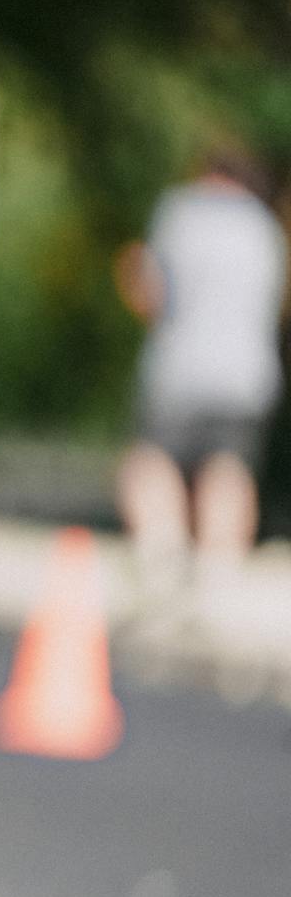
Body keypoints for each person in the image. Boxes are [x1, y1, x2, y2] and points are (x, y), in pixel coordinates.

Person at [115, 148, 288, 640]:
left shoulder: (182, 213)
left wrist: (131, 276)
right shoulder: (264, 229)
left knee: (151, 462)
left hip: (180, 369)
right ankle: (218, 579)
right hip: (245, 375)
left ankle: (161, 564)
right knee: (228, 469)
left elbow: (154, 295)